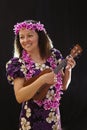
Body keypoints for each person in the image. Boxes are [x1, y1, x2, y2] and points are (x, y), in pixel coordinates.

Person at [6, 20, 76, 130]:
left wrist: (68, 70)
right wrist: (42, 80)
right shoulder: (17, 64)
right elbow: (20, 97)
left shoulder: (54, 56)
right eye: (21, 37)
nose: (25, 40)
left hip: (53, 118)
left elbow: (63, 86)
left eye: (30, 35)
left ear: (40, 36)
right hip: (31, 120)